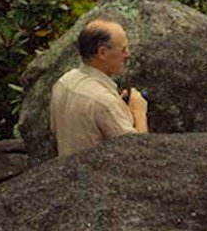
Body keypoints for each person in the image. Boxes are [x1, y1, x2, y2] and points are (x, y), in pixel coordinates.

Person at [49, 19, 148, 157]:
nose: (128, 55)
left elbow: (56, 130)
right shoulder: (104, 102)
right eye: (123, 49)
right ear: (102, 53)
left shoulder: (63, 82)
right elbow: (138, 153)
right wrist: (139, 112)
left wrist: (118, 108)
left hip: (66, 167)